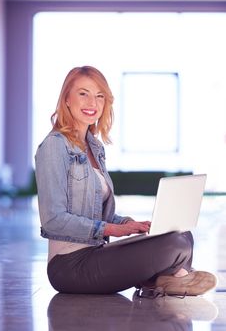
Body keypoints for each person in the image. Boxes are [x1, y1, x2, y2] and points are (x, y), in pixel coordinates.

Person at [35, 66, 217, 296]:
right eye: (83, 93)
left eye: (99, 96)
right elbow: (53, 220)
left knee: (181, 235)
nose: (92, 102)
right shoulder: (54, 146)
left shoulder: (94, 148)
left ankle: (165, 279)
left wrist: (127, 224)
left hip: (95, 253)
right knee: (175, 246)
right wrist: (113, 230)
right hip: (70, 266)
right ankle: (173, 277)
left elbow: (97, 215)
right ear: (67, 99)